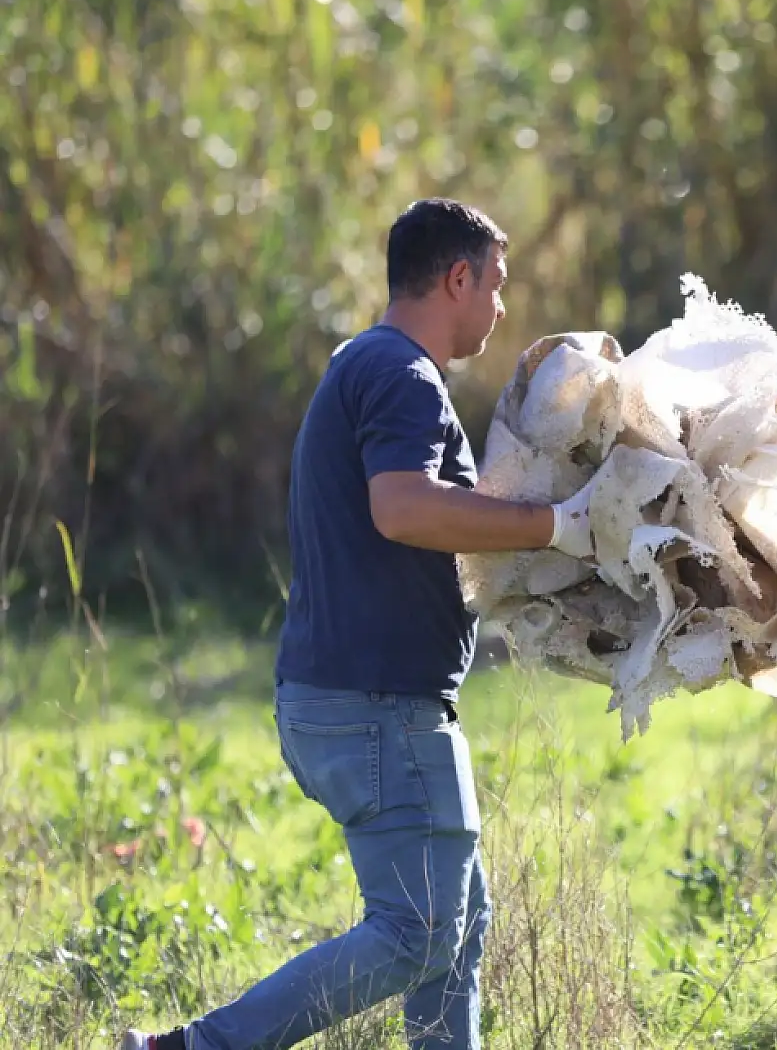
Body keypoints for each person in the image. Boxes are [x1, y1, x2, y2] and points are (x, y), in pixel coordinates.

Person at [122, 198, 593, 1050]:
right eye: (496, 284)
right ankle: (191, 1048)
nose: (499, 307)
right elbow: (403, 507)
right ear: (459, 277)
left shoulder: (367, 365)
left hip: (359, 702)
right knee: (416, 934)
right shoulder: (401, 375)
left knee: (457, 933)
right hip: (377, 709)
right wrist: (557, 524)